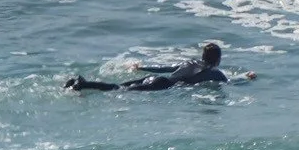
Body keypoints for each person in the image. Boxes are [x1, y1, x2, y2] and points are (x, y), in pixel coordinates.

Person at [65, 41, 256, 93]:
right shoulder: (215, 73)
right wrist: (247, 78)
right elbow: (230, 83)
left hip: (158, 79)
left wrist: (142, 68)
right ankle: (83, 85)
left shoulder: (189, 63)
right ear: (218, 59)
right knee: (119, 90)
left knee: (121, 86)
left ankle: (82, 83)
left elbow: (164, 68)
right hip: (163, 85)